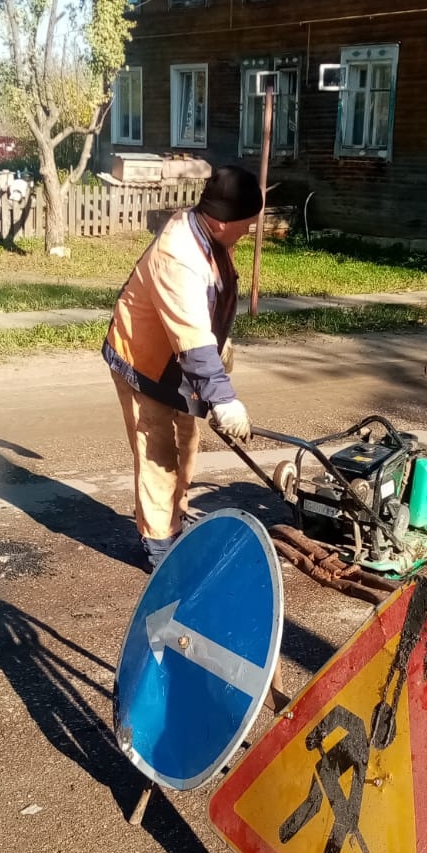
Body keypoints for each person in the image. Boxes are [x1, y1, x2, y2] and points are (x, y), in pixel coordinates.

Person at [103, 165, 264, 570]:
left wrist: (220, 348)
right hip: (143, 359)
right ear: (221, 220)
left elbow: (203, 316)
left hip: (179, 359)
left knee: (186, 440)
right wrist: (223, 399)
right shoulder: (179, 254)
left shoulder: (207, 235)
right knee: (157, 449)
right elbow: (191, 337)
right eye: (245, 225)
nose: (247, 233)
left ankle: (177, 516)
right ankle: (161, 545)